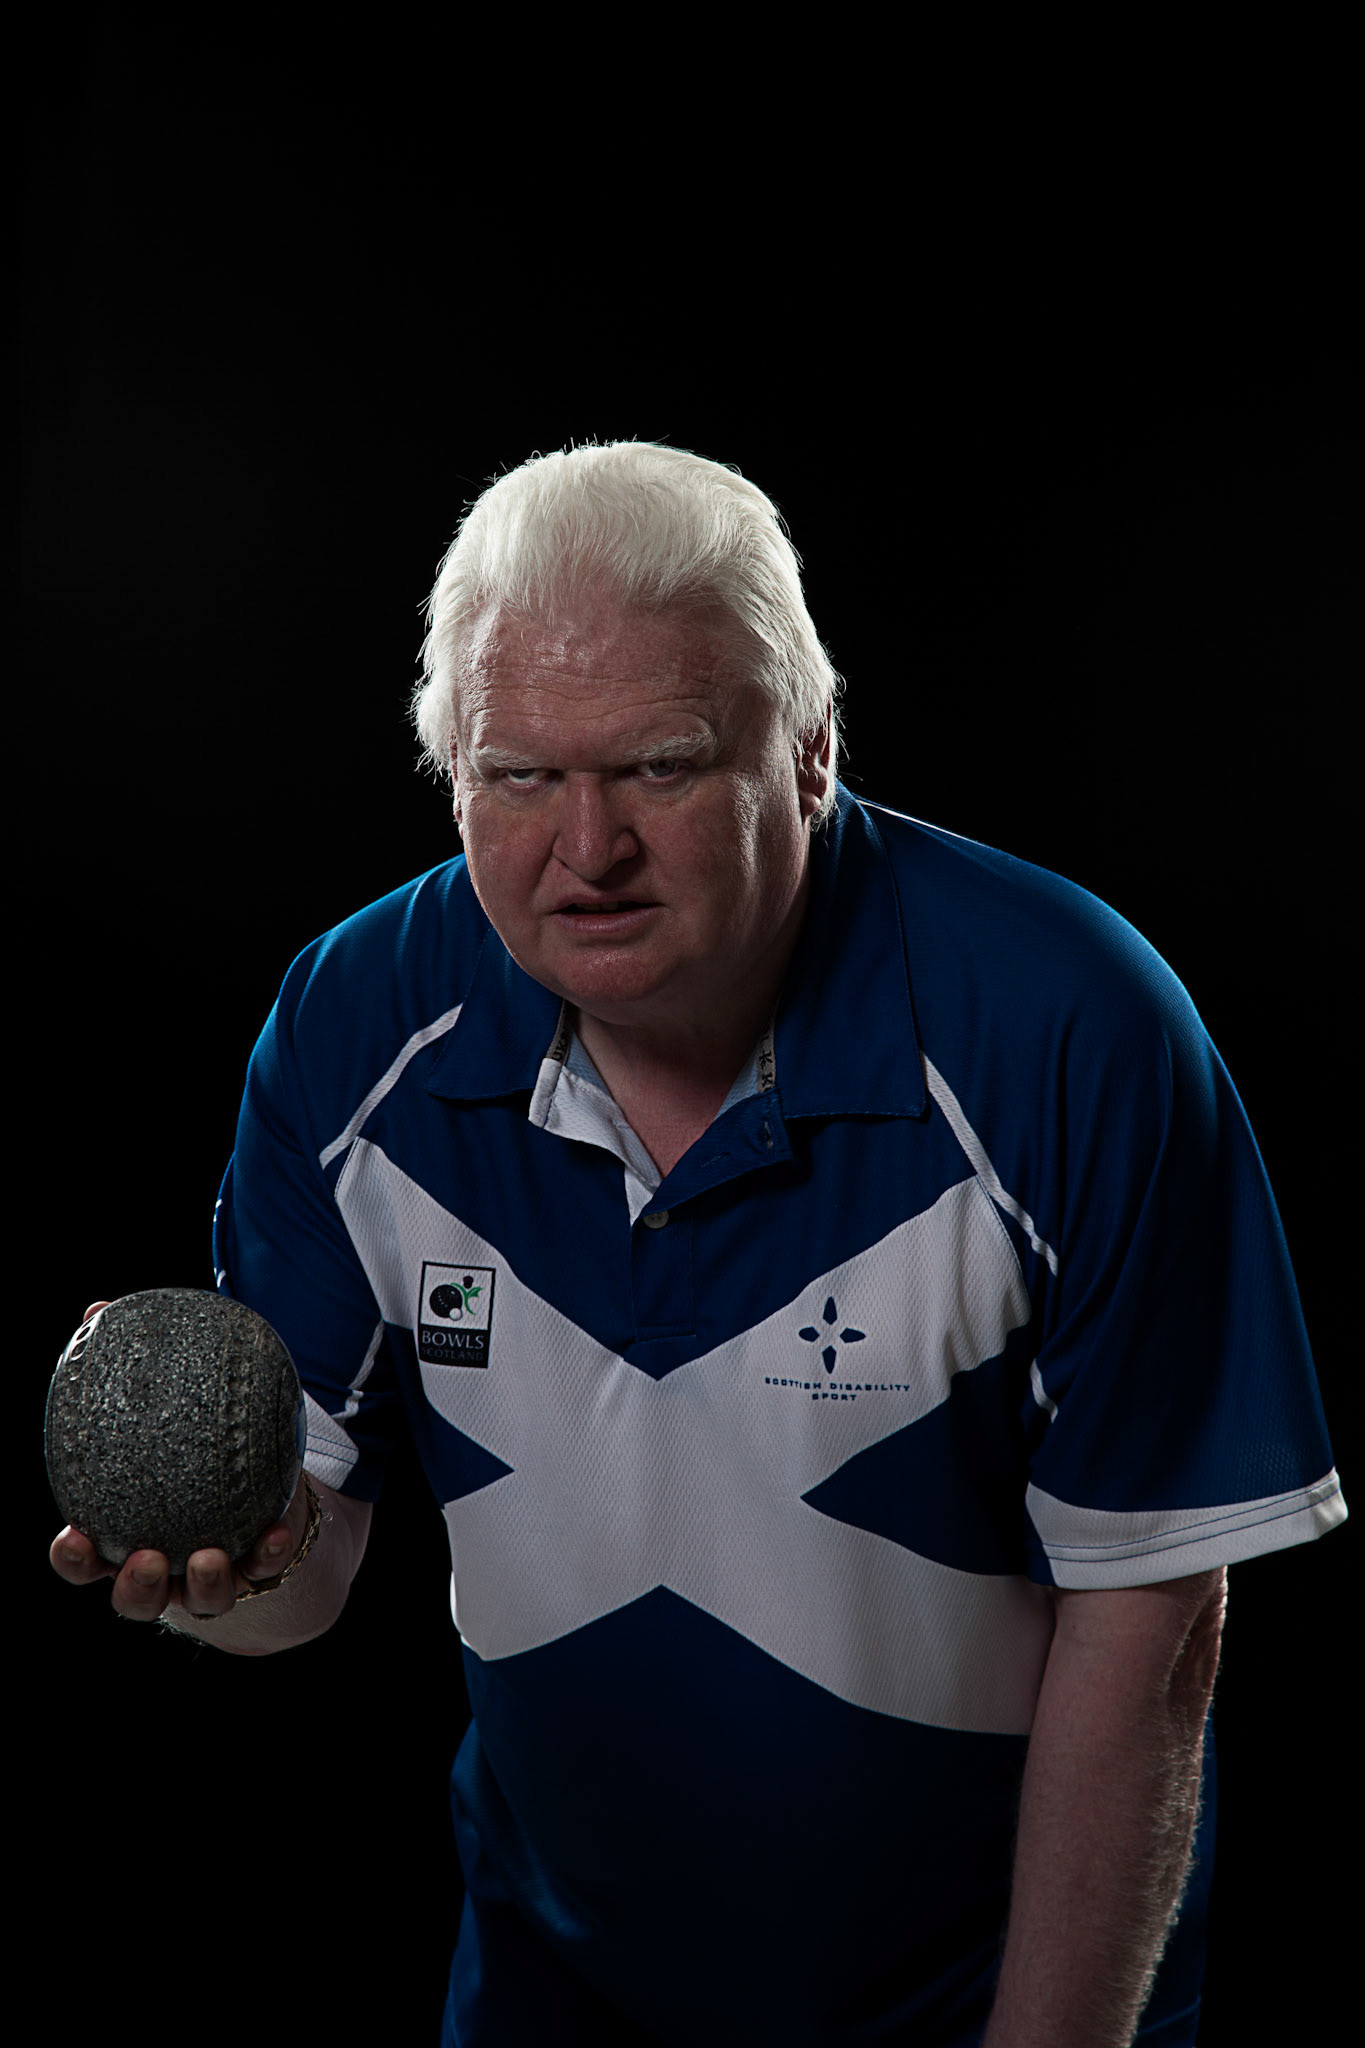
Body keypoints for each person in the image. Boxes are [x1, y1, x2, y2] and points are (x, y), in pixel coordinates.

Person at [51, 440, 1346, 2046]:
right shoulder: (355, 1023)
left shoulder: (1068, 1028)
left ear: (807, 754)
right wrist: (209, 1571)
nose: (583, 850)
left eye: (657, 768)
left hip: (984, 2000)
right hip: (553, 1989)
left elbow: (1150, 1622)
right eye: (517, 776)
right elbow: (298, 1591)